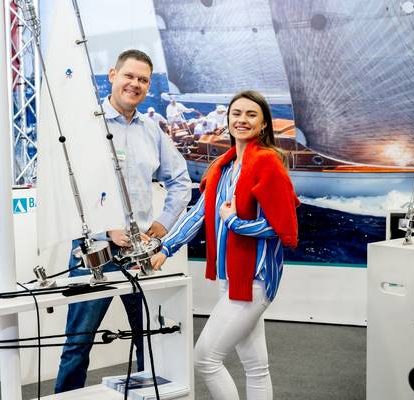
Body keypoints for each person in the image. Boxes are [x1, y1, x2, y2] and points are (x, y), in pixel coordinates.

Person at [55, 49, 192, 393]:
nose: (135, 84)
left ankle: (149, 396)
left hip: (139, 255)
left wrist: (161, 226)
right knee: (77, 344)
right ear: (112, 75)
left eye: (143, 80)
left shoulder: (151, 131)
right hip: (95, 252)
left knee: (149, 339)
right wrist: (106, 228)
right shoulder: (86, 125)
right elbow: (65, 187)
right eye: (129, 76)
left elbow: (181, 181)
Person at [151, 90, 299, 400]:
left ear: (263, 124)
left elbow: (281, 226)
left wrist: (234, 222)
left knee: (205, 358)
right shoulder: (223, 166)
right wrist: (166, 248)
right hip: (230, 277)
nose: (242, 120)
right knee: (256, 366)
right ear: (228, 119)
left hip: (255, 279)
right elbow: (198, 214)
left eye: (251, 114)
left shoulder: (268, 163)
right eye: (236, 113)